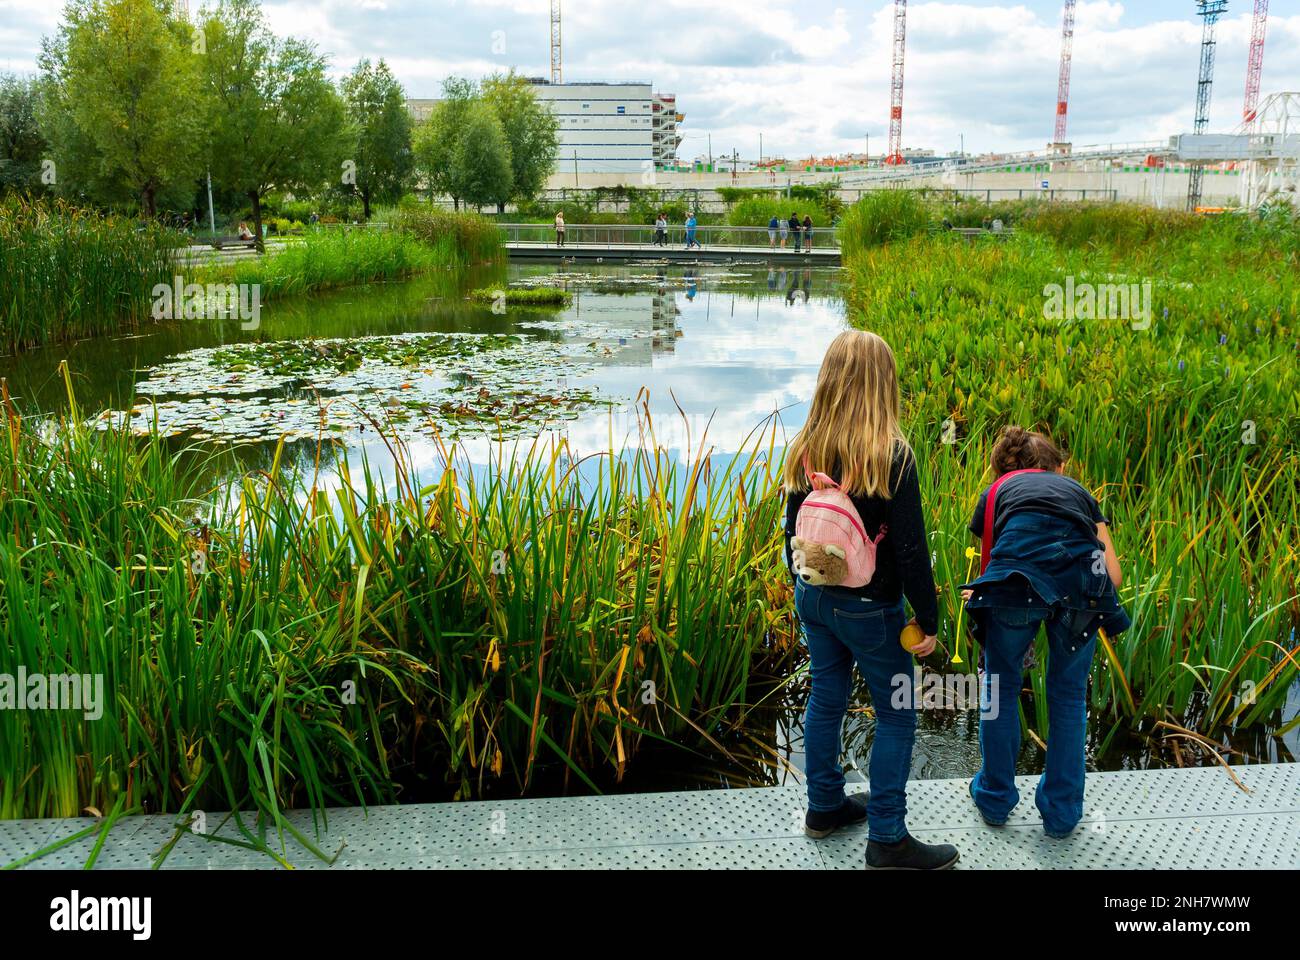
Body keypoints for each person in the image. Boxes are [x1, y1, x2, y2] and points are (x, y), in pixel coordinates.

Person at [783, 331, 959, 871]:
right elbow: (910, 550)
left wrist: (803, 588)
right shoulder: (891, 455)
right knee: (897, 714)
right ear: (884, 384)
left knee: (825, 698)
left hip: (813, 596)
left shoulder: (806, 446)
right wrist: (927, 618)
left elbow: (792, 531)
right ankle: (887, 838)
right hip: (871, 609)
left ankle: (823, 807)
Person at [962, 426, 1130, 840]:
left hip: (1015, 587)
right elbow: (1113, 575)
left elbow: (994, 560)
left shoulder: (996, 492)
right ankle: (1061, 815)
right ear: (1057, 467)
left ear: (1003, 469)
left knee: (999, 689)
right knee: (1069, 697)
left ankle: (995, 799)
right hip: (1084, 590)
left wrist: (985, 594)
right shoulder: (1080, 494)